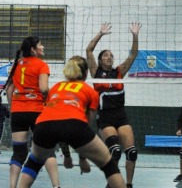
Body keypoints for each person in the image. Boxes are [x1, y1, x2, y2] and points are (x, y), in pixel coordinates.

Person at [18, 56, 126, 188]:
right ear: (86, 73)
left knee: (34, 162)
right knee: (109, 164)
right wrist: (82, 158)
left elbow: (58, 125)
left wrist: (67, 156)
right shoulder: (91, 92)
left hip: (43, 125)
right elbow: (83, 127)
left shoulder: (55, 88)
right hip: (74, 124)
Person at [86, 22, 142, 188]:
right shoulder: (96, 72)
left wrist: (135, 35)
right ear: (100, 59)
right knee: (115, 151)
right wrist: (100, 34)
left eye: (111, 55)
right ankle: (113, 183)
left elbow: (133, 54)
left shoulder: (119, 72)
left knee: (132, 153)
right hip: (105, 118)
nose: (109, 57)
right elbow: (88, 50)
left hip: (121, 116)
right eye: (105, 55)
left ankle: (129, 185)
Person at [3, 36, 60, 188]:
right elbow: (43, 88)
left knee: (19, 153)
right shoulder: (41, 65)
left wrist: (13, 107)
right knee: (47, 151)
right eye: (40, 45)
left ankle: (12, 186)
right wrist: (50, 101)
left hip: (18, 112)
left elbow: (9, 89)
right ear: (33, 49)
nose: (43, 47)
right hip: (37, 111)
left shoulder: (16, 65)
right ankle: (56, 186)